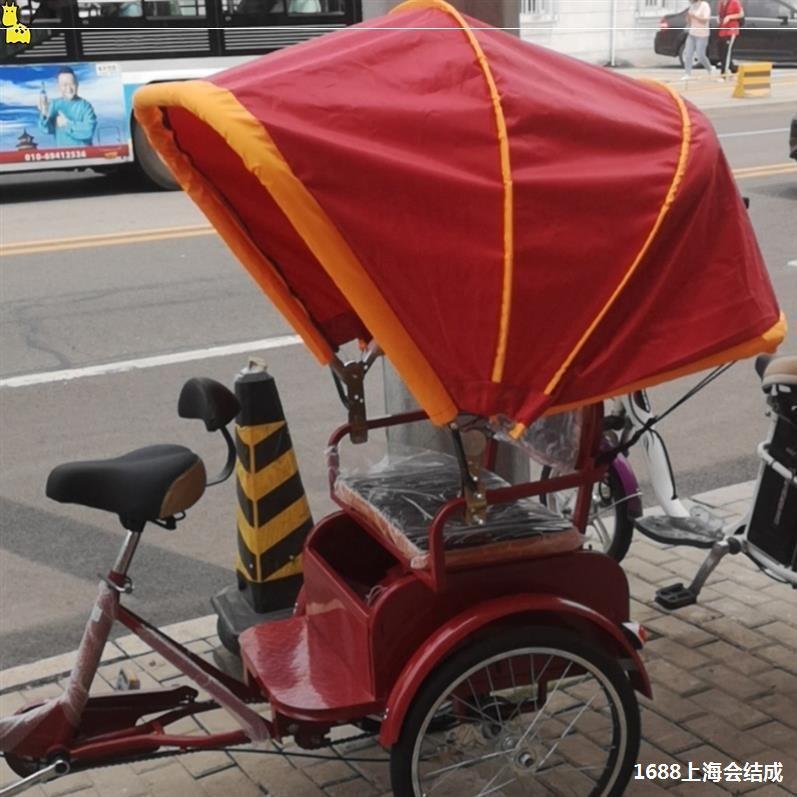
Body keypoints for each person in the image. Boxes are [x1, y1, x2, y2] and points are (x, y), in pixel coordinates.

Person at [37, 66, 97, 147]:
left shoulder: (86, 106)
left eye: (72, 84)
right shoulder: (54, 104)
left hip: (84, 153)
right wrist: (44, 115)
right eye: (64, 85)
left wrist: (67, 124)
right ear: (58, 87)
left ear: (77, 84)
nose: (69, 89)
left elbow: (89, 131)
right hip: (63, 153)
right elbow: (46, 130)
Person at [681, 0, 713, 80]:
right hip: (692, 33)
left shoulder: (704, 5)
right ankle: (687, 74)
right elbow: (689, 21)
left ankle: (710, 69)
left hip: (702, 35)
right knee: (688, 54)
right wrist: (688, 18)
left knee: (700, 55)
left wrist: (694, 16)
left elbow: (705, 20)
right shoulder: (692, 6)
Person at [717, 0, 744, 79]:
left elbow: (741, 14)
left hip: (731, 29)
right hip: (723, 29)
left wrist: (729, 17)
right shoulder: (721, 3)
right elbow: (720, 14)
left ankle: (723, 75)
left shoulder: (734, 2)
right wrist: (719, 18)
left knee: (726, 52)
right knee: (721, 52)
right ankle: (734, 70)